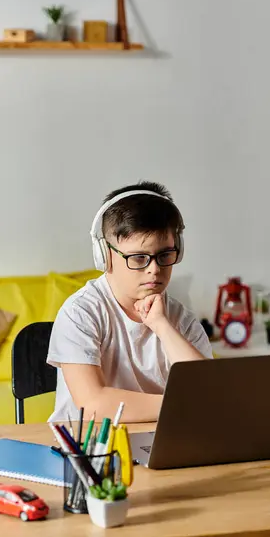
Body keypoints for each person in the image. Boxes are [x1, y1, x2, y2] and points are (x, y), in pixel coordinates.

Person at [47, 180, 213, 423]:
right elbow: (93, 404)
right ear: (104, 256)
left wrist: (161, 326)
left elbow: (208, 394)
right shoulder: (81, 312)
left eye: (165, 255)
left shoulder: (181, 319)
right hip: (90, 449)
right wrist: (183, 403)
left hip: (159, 446)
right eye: (138, 258)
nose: (154, 270)